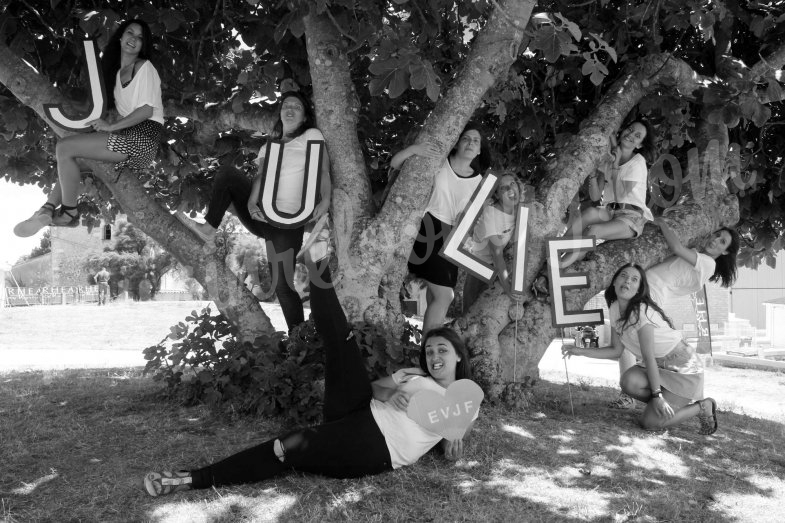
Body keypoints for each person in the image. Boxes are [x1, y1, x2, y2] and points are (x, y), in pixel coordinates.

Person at [143, 249, 478, 497]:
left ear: (458, 355)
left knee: (286, 448)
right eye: (430, 349)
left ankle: (189, 479)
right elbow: (375, 388)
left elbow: (449, 437)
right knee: (341, 341)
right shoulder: (415, 373)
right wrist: (394, 393)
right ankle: (316, 260)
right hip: (360, 409)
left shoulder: (465, 398)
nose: (433, 356)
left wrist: (452, 440)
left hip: (376, 446)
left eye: (441, 351)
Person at [176, 91, 331, 332]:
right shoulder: (269, 146)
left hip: (288, 223)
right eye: (285, 105)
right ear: (280, 113)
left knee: (282, 286)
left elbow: (321, 170)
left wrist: (326, 200)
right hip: (262, 216)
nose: (290, 109)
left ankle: (299, 341)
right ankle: (208, 228)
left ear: (304, 118)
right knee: (227, 174)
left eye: (297, 107)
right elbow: (260, 177)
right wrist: (251, 203)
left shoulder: (311, 136)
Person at [14, 19, 164, 237]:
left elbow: (147, 111)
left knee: (65, 148)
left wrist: (111, 126)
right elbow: (98, 106)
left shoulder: (144, 67)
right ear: (120, 37)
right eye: (129, 33)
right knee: (74, 161)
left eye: (140, 37)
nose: (134, 39)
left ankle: (69, 214)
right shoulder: (116, 73)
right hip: (128, 138)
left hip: (142, 139)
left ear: (143, 45)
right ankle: (47, 209)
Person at [562, 263, 718, 435]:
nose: (627, 281)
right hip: (658, 366)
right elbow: (615, 350)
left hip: (682, 367)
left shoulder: (640, 312)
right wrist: (579, 351)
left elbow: (648, 356)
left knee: (649, 423)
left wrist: (657, 396)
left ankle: (703, 406)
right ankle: (662, 403)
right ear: (614, 281)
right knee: (628, 381)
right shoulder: (614, 308)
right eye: (623, 275)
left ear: (638, 289)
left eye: (634, 279)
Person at [608, 218, 740, 409]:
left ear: (726, 251)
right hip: (643, 289)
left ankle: (652, 396)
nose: (715, 240)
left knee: (635, 342)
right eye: (717, 235)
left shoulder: (708, 263)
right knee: (628, 338)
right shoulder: (695, 253)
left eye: (722, 242)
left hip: (650, 295)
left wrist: (662, 223)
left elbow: (676, 247)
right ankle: (644, 395)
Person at [397, 123, 492, 333]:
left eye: (476, 141)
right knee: (445, 295)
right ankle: (428, 349)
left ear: (479, 150)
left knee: (436, 294)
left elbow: (475, 221)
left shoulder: (480, 182)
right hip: (427, 226)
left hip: (452, 239)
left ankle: (429, 347)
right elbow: (395, 164)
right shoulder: (440, 163)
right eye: (466, 138)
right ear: (457, 143)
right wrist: (414, 150)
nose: (471, 143)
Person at [559, 120, 656, 268]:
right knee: (589, 212)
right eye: (630, 129)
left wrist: (616, 166)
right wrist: (592, 173)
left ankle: (560, 265)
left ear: (640, 144)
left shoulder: (637, 162)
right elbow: (595, 197)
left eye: (637, 136)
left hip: (631, 216)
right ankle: (556, 250)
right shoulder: (609, 159)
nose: (630, 135)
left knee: (593, 230)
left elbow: (620, 196)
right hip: (611, 211)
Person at [462, 173, 523, 312]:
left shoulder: (519, 211)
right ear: (497, 194)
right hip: (480, 267)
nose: (510, 189)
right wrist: (508, 288)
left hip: (500, 268)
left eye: (513, 183)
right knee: (471, 314)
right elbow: (497, 255)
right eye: (503, 188)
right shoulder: (491, 214)